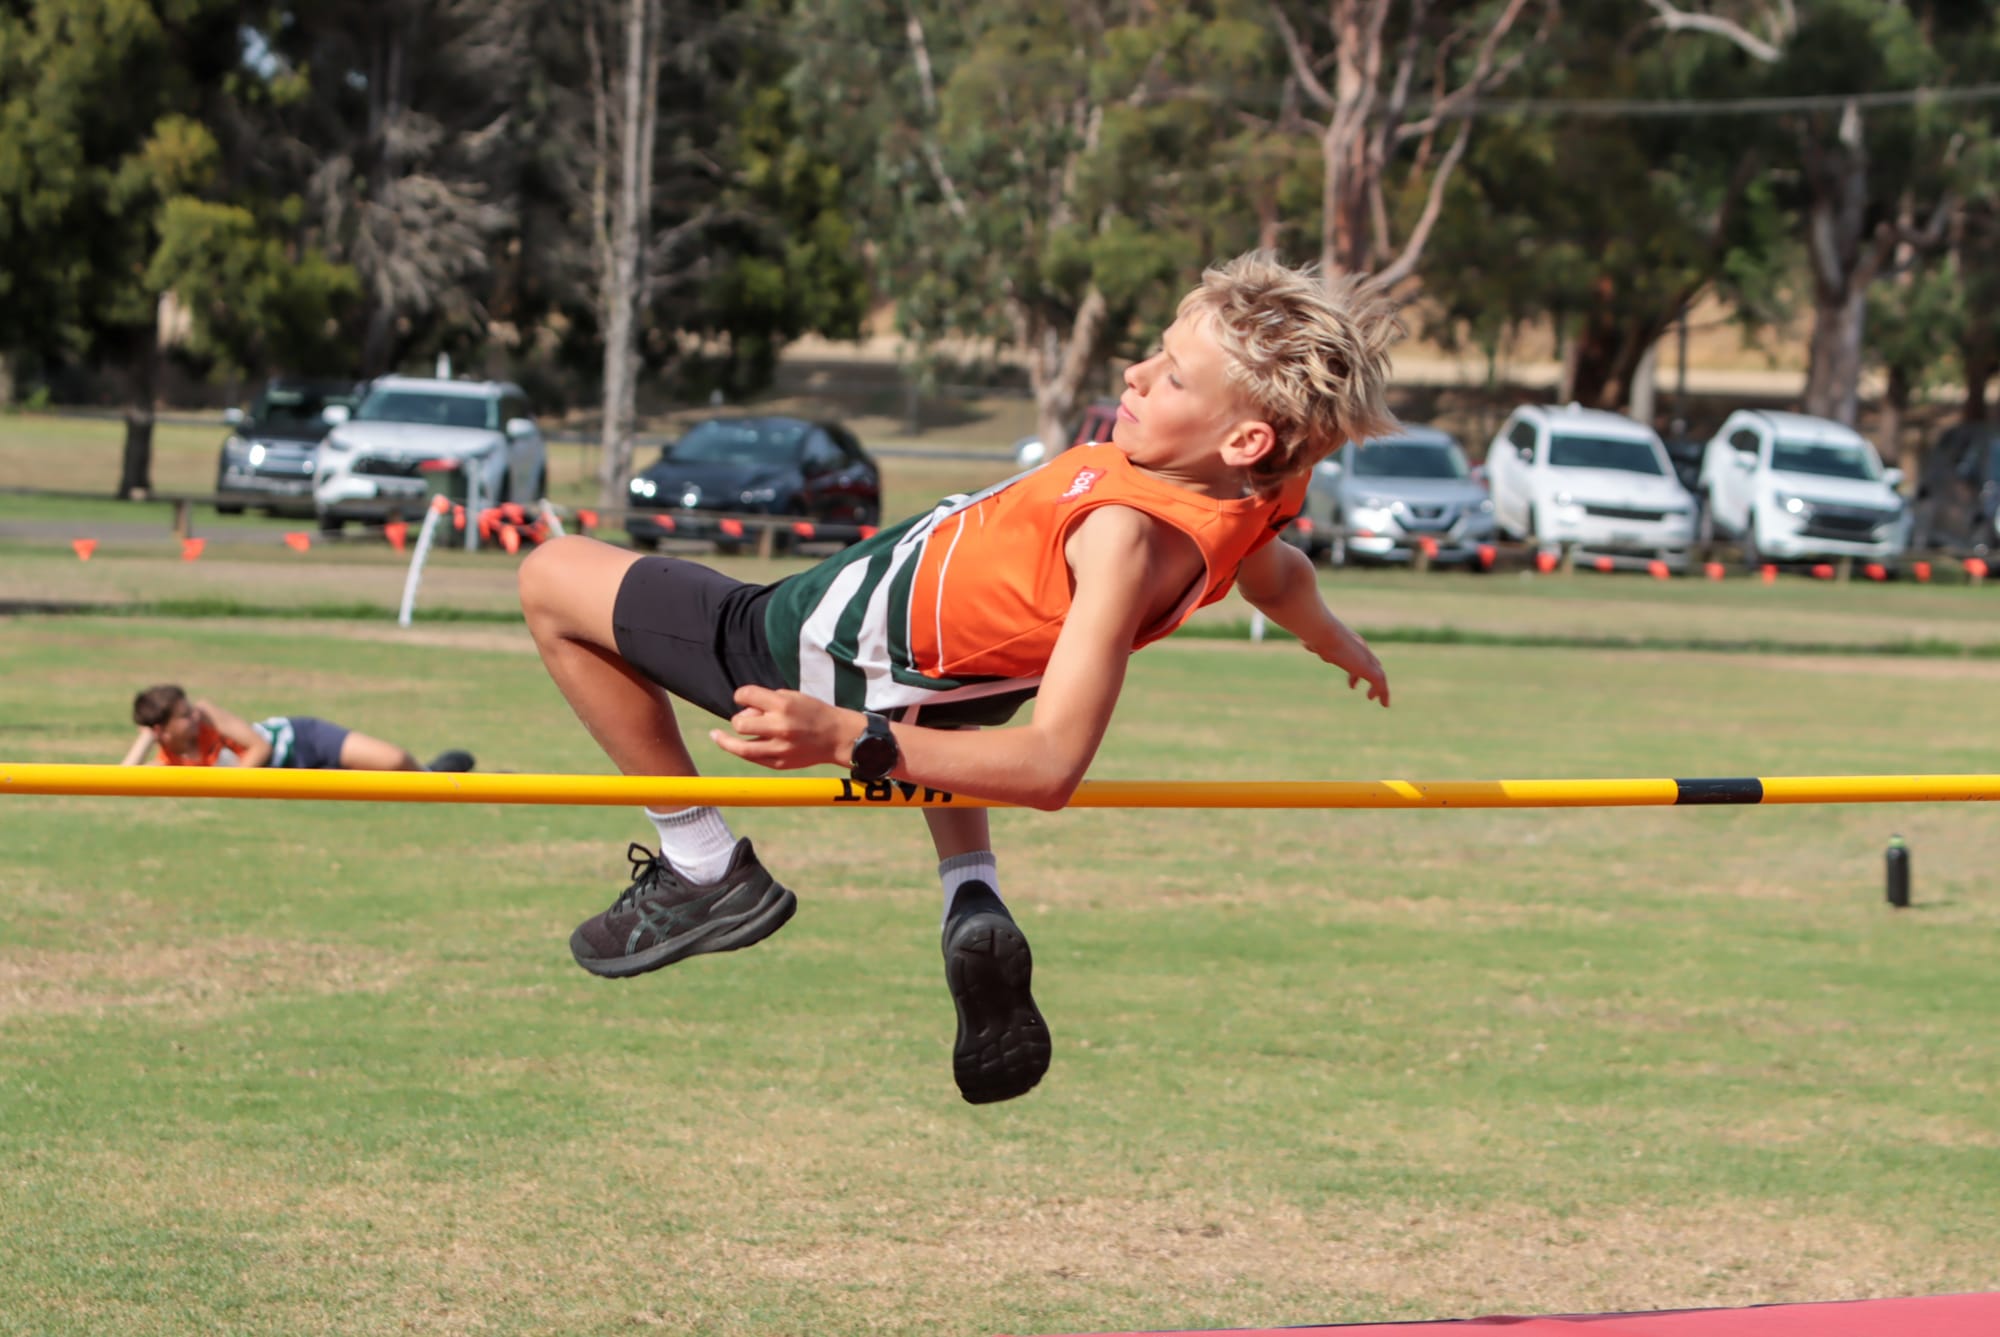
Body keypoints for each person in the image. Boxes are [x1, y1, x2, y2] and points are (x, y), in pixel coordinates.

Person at [517, 251, 1400, 1105]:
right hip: (946, 668)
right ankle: (969, 889)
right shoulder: (1246, 494)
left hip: (816, 648)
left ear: (1244, 437)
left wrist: (842, 737)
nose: (1132, 373)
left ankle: (700, 866)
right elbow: (1271, 569)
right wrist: (1333, 638)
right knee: (953, 696)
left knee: (553, 576)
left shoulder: (1122, 539)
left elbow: (1053, 766)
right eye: (1155, 352)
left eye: (1171, 376)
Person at [120, 684, 476, 774]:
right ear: (162, 731)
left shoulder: (208, 712)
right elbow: (124, 780)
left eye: (189, 710)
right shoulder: (171, 762)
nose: (193, 718)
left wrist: (224, 787)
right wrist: (145, 739)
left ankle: (439, 776)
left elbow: (259, 748)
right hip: (294, 773)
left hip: (303, 739)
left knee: (396, 762)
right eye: (183, 717)